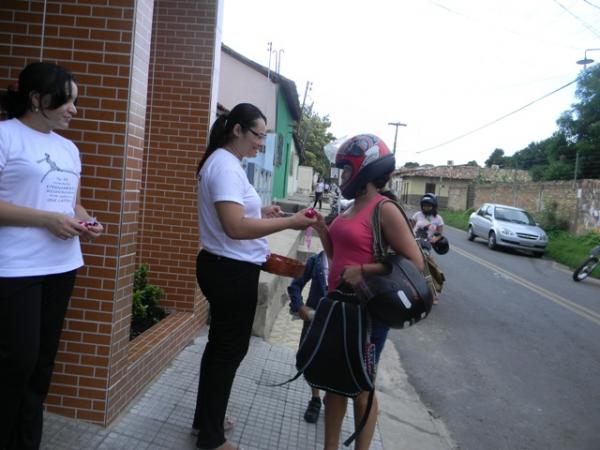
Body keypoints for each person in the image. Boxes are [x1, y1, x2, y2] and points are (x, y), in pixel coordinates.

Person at [193, 103, 316, 450]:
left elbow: (232, 214)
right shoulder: (226, 167)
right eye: (258, 136)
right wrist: (291, 222)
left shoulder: (225, 163)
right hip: (230, 271)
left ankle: (207, 420)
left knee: (220, 348)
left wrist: (261, 211)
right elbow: (234, 227)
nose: (262, 144)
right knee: (228, 352)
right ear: (237, 130)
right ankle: (212, 439)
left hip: (223, 266)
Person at [0, 62, 104, 450]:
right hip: (14, 269)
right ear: (37, 99)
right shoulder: (6, 136)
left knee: (41, 367)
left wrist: (87, 222)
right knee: (16, 363)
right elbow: (47, 212)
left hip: (62, 266)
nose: (74, 108)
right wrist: (46, 220)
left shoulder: (69, 148)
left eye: (76, 101)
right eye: (67, 100)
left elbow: (70, 205)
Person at [312, 134, 424, 450]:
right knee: (335, 383)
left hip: (367, 314)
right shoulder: (350, 207)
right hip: (339, 307)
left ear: (364, 168)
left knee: (361, 389)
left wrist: (363, 270)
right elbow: (337, 258)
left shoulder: (383, 208)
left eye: (347, 170)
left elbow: (413, 262)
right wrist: (322, 228)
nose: (343, 176)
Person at [287, 250, 329, 423]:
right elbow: (295, 285)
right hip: (314, 321)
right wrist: (300, 306)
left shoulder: (352, 260)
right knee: (311, 360)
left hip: (339, 322)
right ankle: (315, 399)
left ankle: (331, 397)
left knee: (334, 362)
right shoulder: (316, 261)